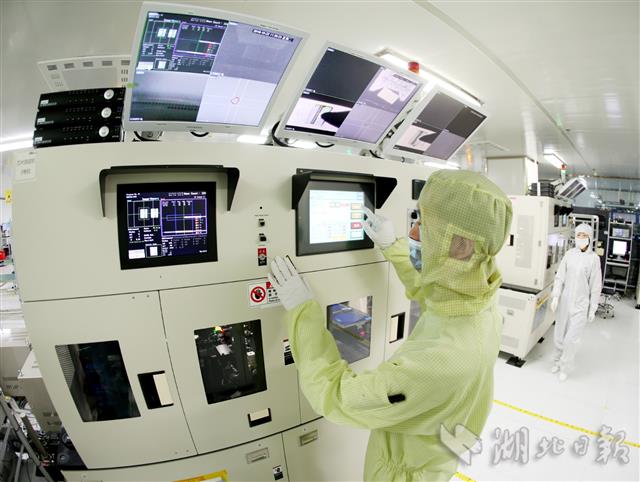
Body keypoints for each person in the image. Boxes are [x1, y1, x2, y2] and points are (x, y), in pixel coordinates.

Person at [268, 170, 512, 481]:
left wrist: (302, 312)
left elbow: (335, 396)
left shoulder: (442, 360)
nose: (413, 231)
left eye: (424, 225)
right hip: (438, 453)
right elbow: (433, 294)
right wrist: (392, 246)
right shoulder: (481, 299)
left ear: (461, 246)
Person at [550, 223, 602, 381]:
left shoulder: (593, 259)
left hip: (581, 305)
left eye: (584, 235)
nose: (581, 238)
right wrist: (556, 296)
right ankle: (557, 361)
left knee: (570, 339)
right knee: (559, 335)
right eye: (578, 235)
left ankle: (565, 367)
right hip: (565, 301)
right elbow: (560, 277)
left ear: (589, 238)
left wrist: (593, 308)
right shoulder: (569, 254)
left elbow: (595, 286)